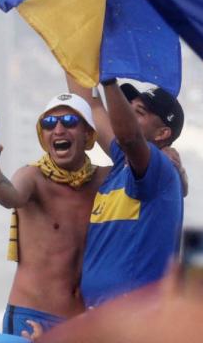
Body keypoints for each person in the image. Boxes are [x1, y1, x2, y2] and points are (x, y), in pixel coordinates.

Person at [0, 93, 110, 337]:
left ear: (87, 134)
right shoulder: (32, 177)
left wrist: (175, 168)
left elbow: (149, 174)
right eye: (48, 124)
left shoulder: (105, 179)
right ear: (43, 137)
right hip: (31, 314)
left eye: (68, 121)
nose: (58, 129)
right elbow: (10, 197)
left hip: (80, 320)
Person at [68, 76, 185, 307]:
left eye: (138, 113)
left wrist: (109, 81)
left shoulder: (160, 169)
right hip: (102, 316)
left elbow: (129, 136)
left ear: (162, 133)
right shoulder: (122, 161)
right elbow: (91, 105)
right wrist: (72, 47)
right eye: (127, 108)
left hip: (135, 318)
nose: (125, 114)